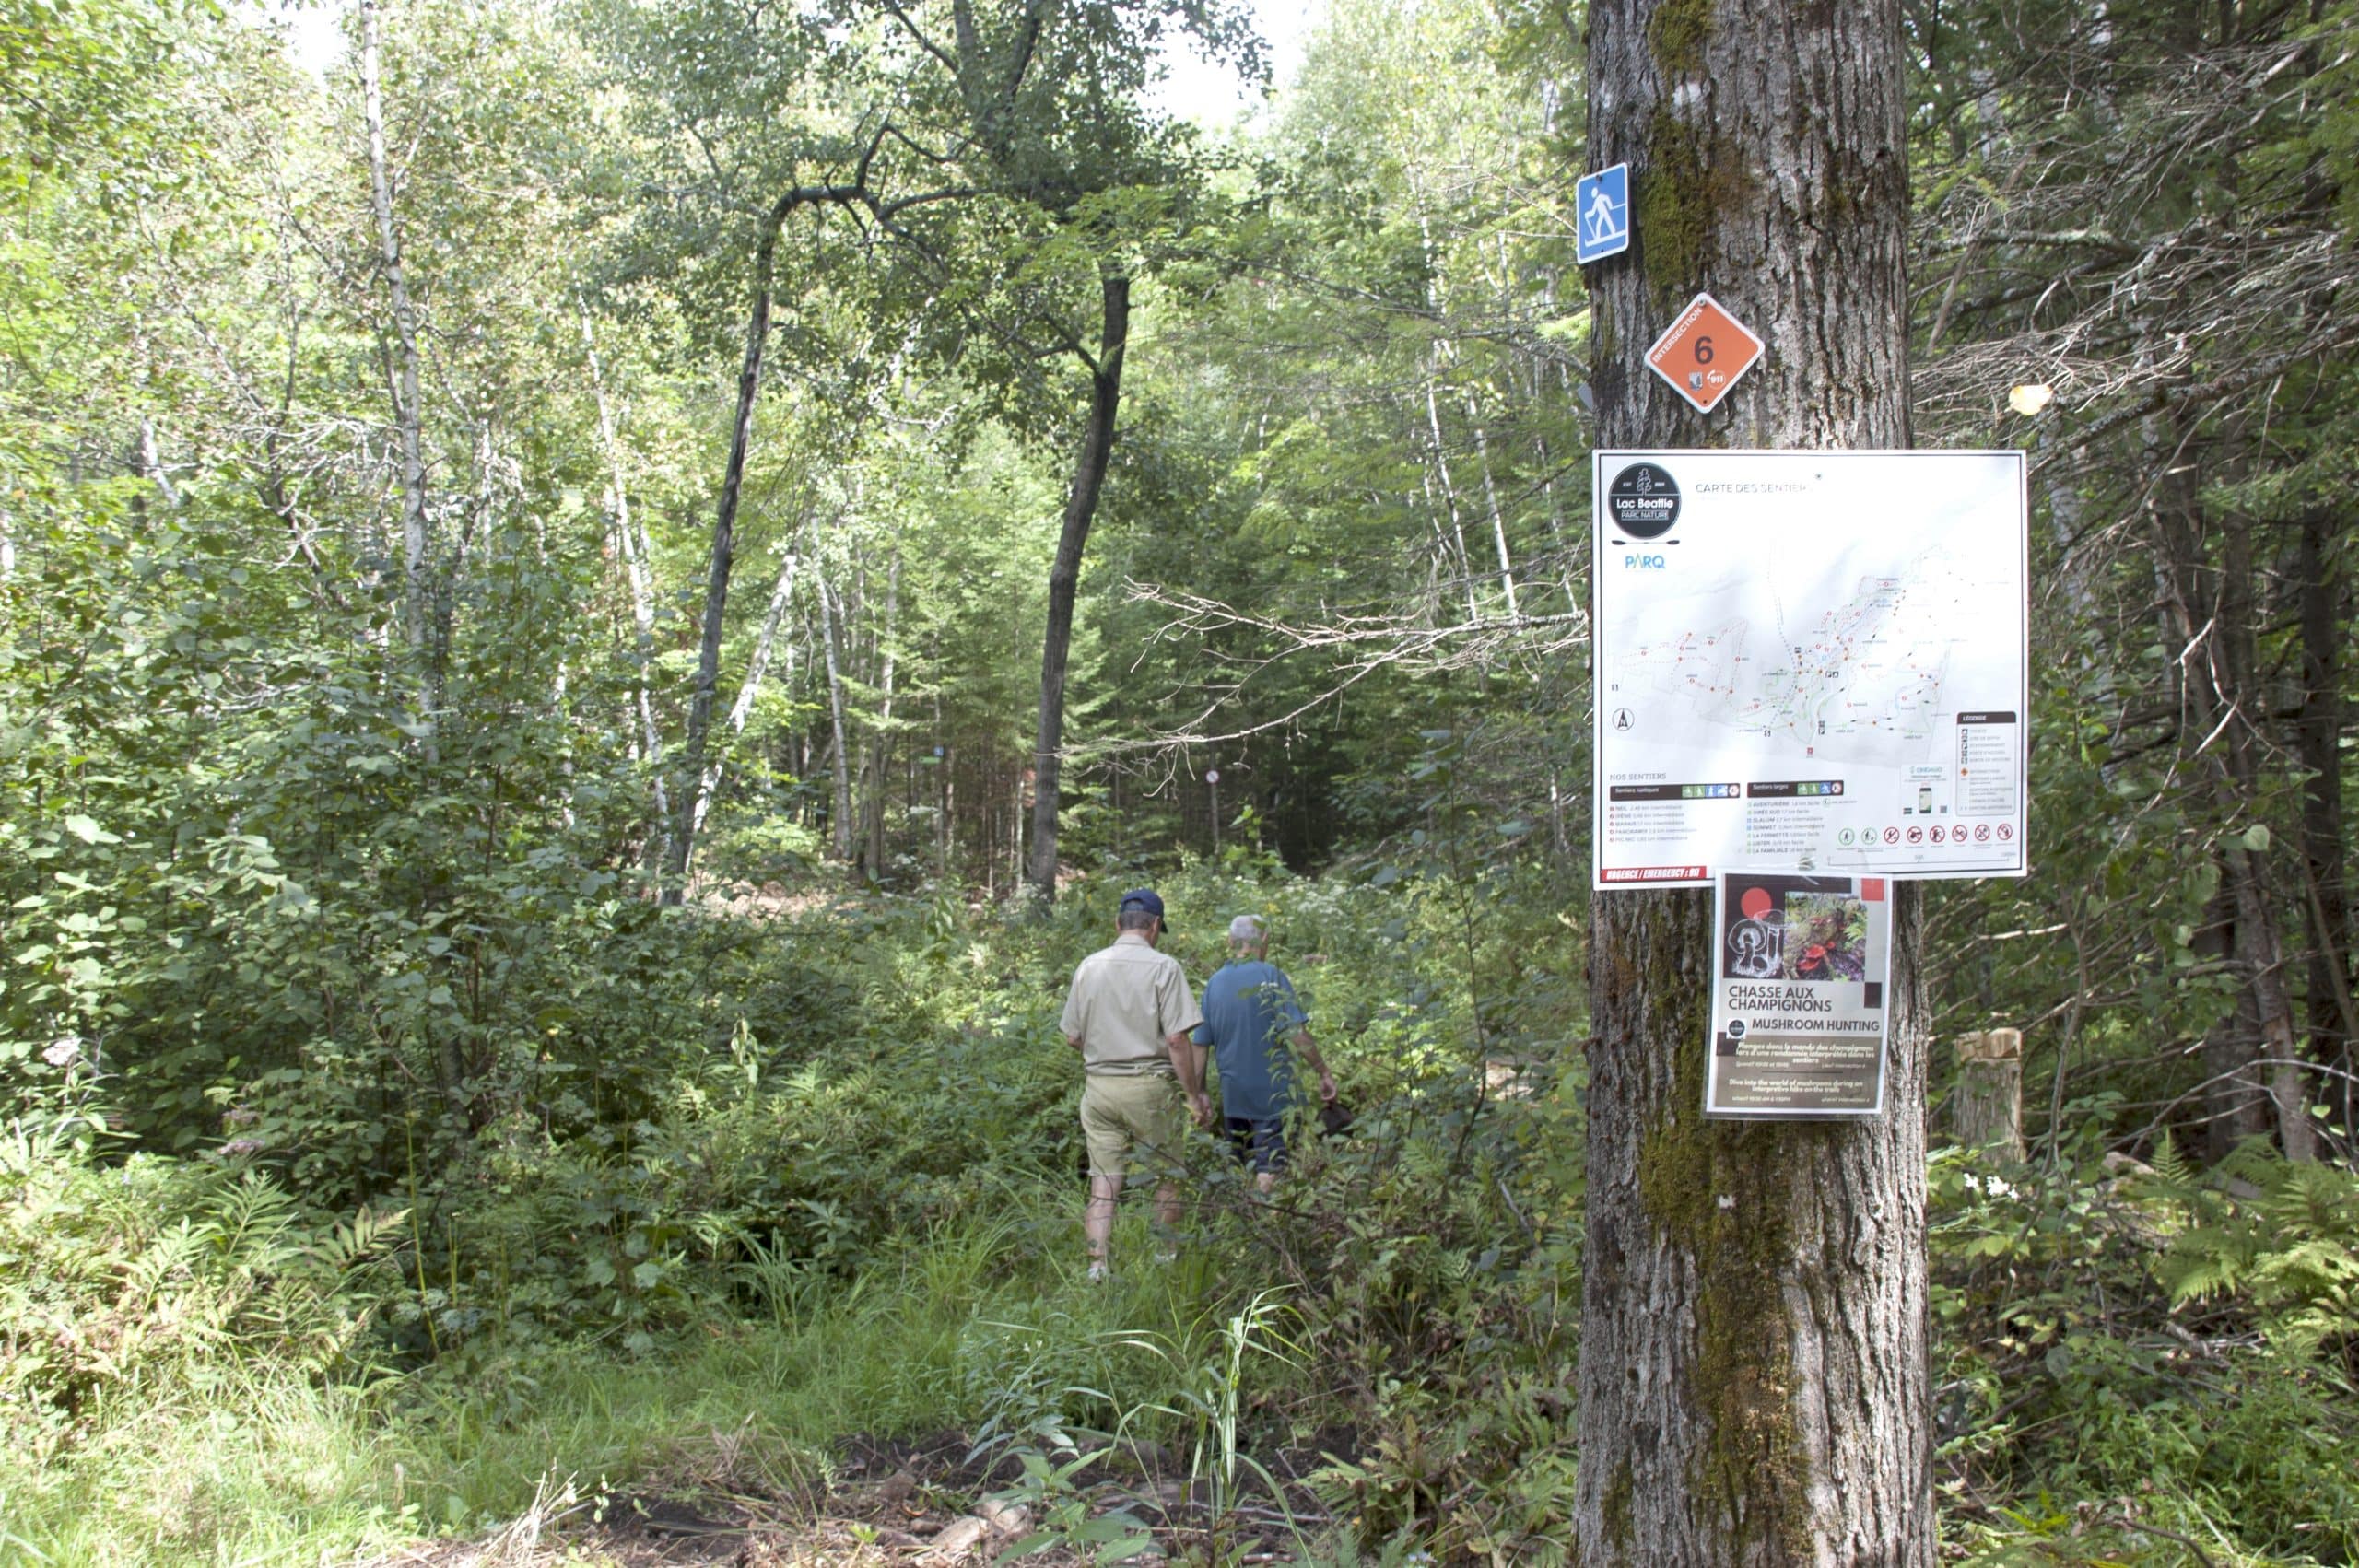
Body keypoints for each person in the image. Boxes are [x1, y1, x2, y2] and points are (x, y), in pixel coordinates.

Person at [1060, 888, 1212, 1281]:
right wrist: (1193, 1097)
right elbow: (1178, 1039)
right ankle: (1166, 1260)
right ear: (1156, 925)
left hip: (1099, 1088)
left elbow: (1073, 1037)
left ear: (1118, 924)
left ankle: (1097, 1268)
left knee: (1104, 1183)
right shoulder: (1164, 967)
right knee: (1167, 1175)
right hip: (1149, 1086)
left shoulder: (1088, 967)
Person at [1193, 914, 1337, 1193]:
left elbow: (1200, 1045)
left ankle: (1241, 1227)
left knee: (1240, 1168)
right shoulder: (1271, 976)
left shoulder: (1214, 983)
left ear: (1230, 942)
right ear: (1265, 940)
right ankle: (1267, 1226)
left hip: (1232, 1095)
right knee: (1269, 1169)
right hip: (1272, 1096)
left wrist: (1199, 1092)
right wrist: (1324, 1072)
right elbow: (1296, 1032)